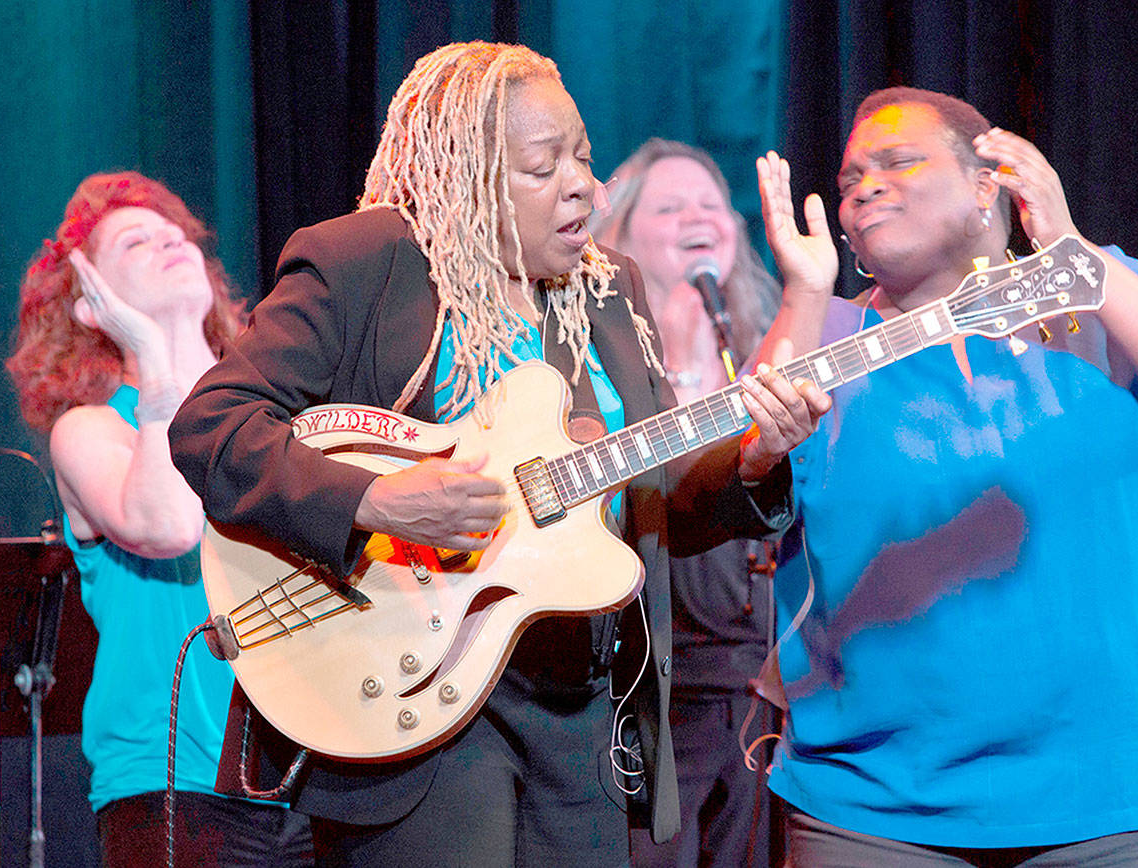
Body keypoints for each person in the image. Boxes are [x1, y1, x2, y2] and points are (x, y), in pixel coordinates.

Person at [166, 42, 830, 867]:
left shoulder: (608, 288)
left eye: (583, 158)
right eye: (543, 166)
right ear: (466, 174)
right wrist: (376, 502)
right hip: (415, 701)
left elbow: (655, 503)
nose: (581, 184)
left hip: (581, 713)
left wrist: (753, 459)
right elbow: (212, 426)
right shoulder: (369, 261)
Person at [752, 87, 1138, 866]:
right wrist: (804, 293)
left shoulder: (1102, 296)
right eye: (852, 178)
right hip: (877, 806)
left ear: (989, 182)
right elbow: (733, 471)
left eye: (899, 161)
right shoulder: (826, 333)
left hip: (1121, 802)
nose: (865, 187)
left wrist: (1073, 256)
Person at [6, 172, 315, 866]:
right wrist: (151, 353)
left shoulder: (280, 414)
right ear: (91, 306)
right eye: (135, 242)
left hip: (317, 771)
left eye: (173, 233)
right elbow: (170, 522)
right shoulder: (91, 431)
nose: (170, 239)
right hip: (177, 789)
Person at [592, 138, 781, 867]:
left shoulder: (769, 346)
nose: (699, 218)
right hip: (654, 694)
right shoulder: (592, 362)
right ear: (619, 237)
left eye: (711, 204)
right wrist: (671, 353)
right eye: (671, 207)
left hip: (758, 696)